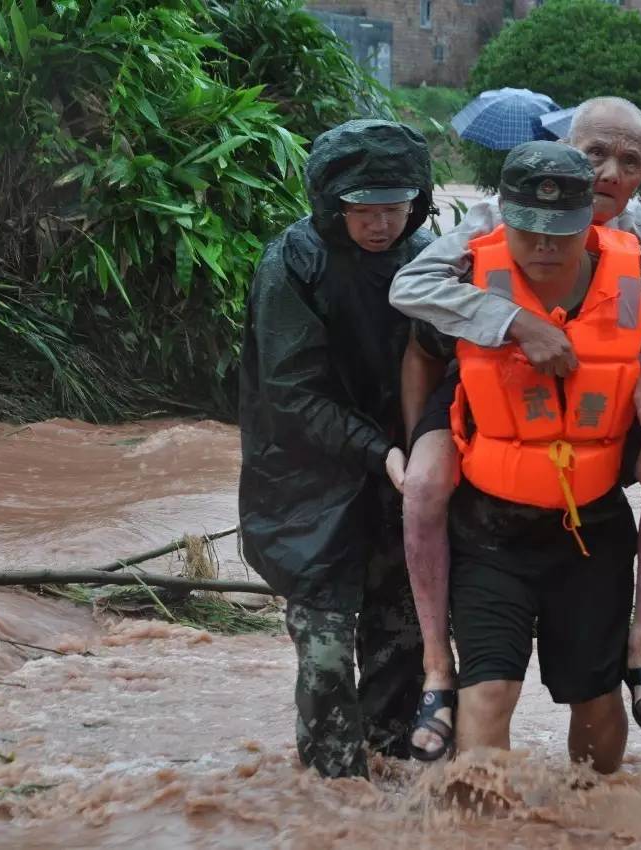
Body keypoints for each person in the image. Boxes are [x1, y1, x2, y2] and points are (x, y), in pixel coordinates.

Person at [390, 98, 641, 758]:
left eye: (628, 162)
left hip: (595, 395)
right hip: (485, 381)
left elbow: (639, 328)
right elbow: (415, 312)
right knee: (426, 481)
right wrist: (512, 324)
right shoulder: (490, 224)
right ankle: (437, 667)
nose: (609, 173)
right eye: (595, 155)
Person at [237, 119, 435, 779]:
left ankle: (390, 791)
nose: (380, 224)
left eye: (394, 207)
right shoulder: (292, 263)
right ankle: (331, 793)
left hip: (400, 482)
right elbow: (290, 395)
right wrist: (378, 449)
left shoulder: (428, 258)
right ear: (332, 204)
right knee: (324, 657)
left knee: (403, 644)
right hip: (307, 483)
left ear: (417, 201)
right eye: (363, 209)